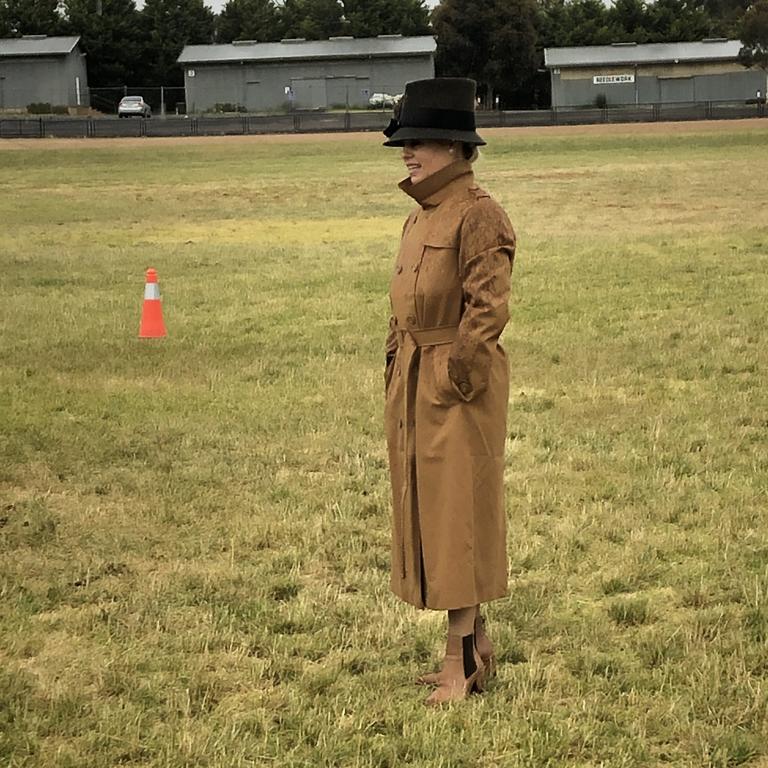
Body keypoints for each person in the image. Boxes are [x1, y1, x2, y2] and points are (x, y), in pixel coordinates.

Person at [382, 78, 516, 706]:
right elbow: (403, 302)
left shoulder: (479, 212)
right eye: (403, 141)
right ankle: (478, 646)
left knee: (456, 515)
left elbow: (487, 307)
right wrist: (396, 361)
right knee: (430, 515)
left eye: (418, 140)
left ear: (457, 146)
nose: (406, 152)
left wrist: (453, 376)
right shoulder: (421, 213)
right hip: (413, 381)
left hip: (453, 386)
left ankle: (458, 662)